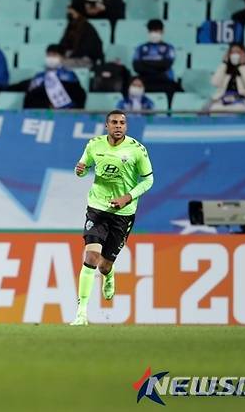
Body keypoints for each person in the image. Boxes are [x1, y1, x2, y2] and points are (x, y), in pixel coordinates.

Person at [70, 109, 154, 326]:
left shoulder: (137, 150)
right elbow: (82, 167)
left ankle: (109, 273)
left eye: (122, 123)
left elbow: (148, 180)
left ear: (126, 127)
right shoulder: (94, 145)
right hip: (97, 207)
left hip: (123, 214)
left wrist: (128, 196)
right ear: (107, 126)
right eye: (114, 122)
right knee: (90, 258)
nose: (118, 126)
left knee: (104, 265)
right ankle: (81, 313)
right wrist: (79, 170)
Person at [21, 44, 86, 109]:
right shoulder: (39, 77)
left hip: (66, 112)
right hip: (42, 112)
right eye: (49, 55)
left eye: (54, 55)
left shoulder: (69, 76)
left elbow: (78, 96)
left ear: (62, 57)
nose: (51, 58)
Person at [132, 19, 180, 101]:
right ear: (148, 31)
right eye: (152, 31)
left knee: (174, 88)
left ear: (162, 31)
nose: (154, 33)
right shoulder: (140, 48)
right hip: (145, 79)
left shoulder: (168, 48)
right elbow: (137, 67)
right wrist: (157, 65)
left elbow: (166, 65)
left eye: (156, 31)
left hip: (163, 79)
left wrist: (146, 63)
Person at [209, 43, 245, 111]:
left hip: (241, 101)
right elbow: (214, 83)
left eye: (238, 52)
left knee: (238, 108)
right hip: (223, 100)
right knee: (215, 109)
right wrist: (224, 63)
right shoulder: (224, 71)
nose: (234, 54)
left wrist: (242, 66)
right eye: (232, 52)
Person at [59, 3, 104, 68]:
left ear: (78, 13)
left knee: (60, 65)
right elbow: (63, 44)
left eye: (71, 13)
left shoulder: (87, 28)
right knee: (53, 62)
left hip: (86, 58)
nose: (69, 15)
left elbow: (87, 49)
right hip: (72, 56)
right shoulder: (70, 26)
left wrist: (70, 56)